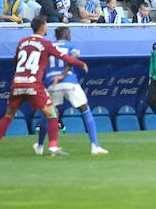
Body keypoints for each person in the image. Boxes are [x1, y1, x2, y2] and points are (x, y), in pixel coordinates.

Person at [0, 16, 88, 156]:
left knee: (9, 115)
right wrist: (81, 63)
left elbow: (16, 61)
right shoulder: (46, 44)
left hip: (17, 82)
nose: (47, 28)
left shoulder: (22, 42)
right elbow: (65, 58)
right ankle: (53, 148)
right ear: (42, 27)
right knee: (52, 114)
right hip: (33, 84)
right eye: (46, 25)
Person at [33, 26, 108, 154]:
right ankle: (95, 145)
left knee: (49, 113)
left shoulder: (48, 46)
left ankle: (40, 146)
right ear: (68, 35)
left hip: (52, 83)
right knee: (85, 108)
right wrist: (63, 74)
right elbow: (72, 60)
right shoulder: (72, 46)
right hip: (68, 81)